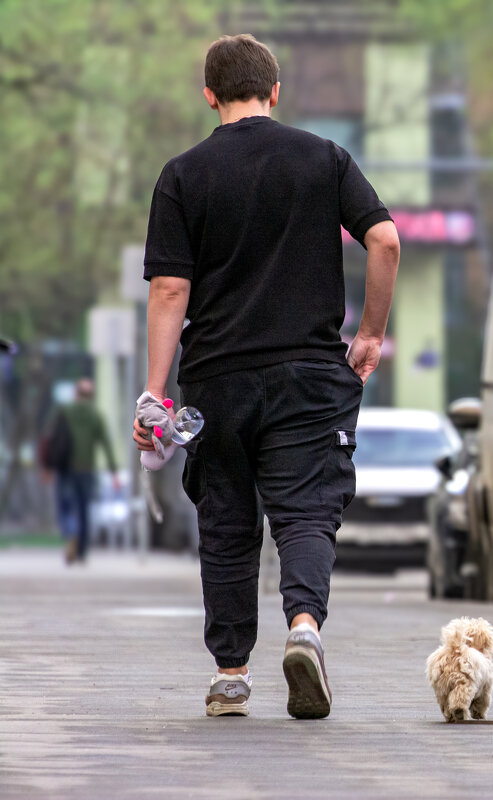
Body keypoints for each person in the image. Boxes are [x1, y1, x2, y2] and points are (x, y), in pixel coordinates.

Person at [132, 34, 401, 719]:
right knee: (306, 510)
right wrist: (368, 333)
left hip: (218, 380)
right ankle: (305, 627)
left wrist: (157, 394)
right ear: (275, 92)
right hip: (309, 373)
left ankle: (230, 674)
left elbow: (169, 290)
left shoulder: (183, 175)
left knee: (226, 520)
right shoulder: (323, 159)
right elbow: (386, 240)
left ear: (209, 95)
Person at [41, 378, 119, 565]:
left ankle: (71, 534)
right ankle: (82, 552)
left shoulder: (64, 411)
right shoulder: (95, 415)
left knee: (67, 506)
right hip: (87, 469)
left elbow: (49, 437)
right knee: (84, 510)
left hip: (66, 468)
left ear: (76, 393)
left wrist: (47, 467)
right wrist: (113, 472)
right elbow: (106, 444)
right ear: (91, 396)